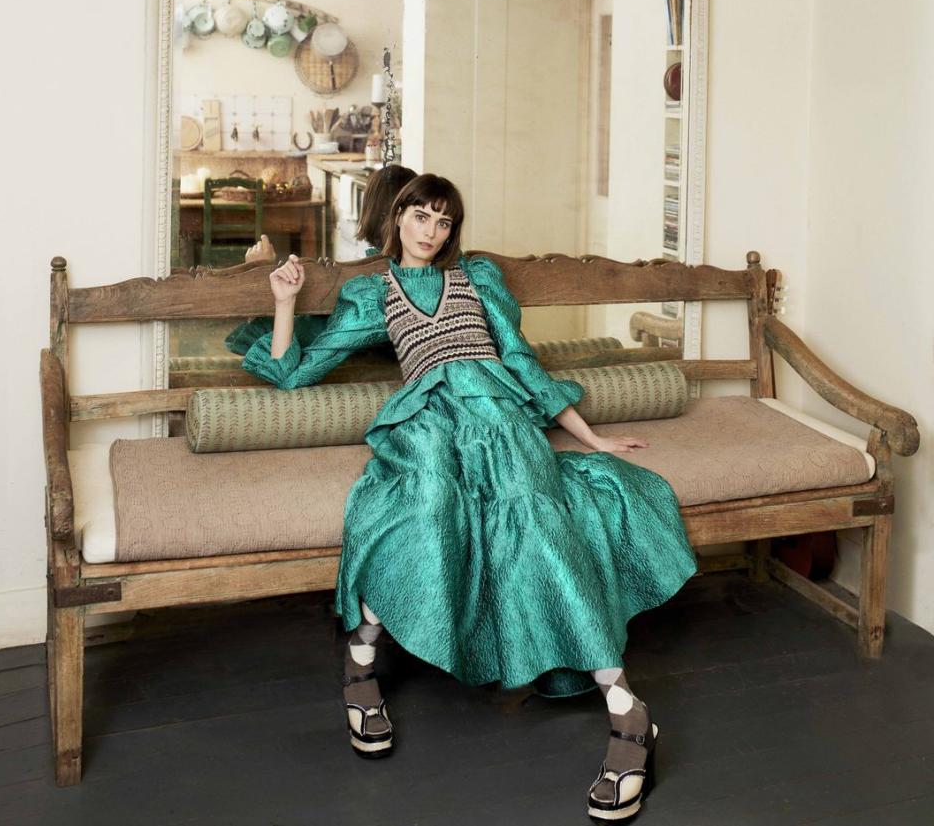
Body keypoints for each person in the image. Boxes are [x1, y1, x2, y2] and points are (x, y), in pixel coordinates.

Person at [241, 174, 697, 822]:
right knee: (425, 511)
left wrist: (591, 437)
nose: (431, 231)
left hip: (502, 419)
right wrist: (284, 300)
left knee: (539, 523)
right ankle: (362, 661)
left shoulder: (478, 279)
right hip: (426, 423)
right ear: (396, 217)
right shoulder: (372, 293)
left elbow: (521, 360)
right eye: (420, 216)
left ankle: (628, 713)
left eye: (444, 221)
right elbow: (292, 372)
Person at [223, 163, 416, 357]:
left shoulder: (355, 287)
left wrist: (259, 270)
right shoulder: (414, 278)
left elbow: (254, 343)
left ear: (371, 212)